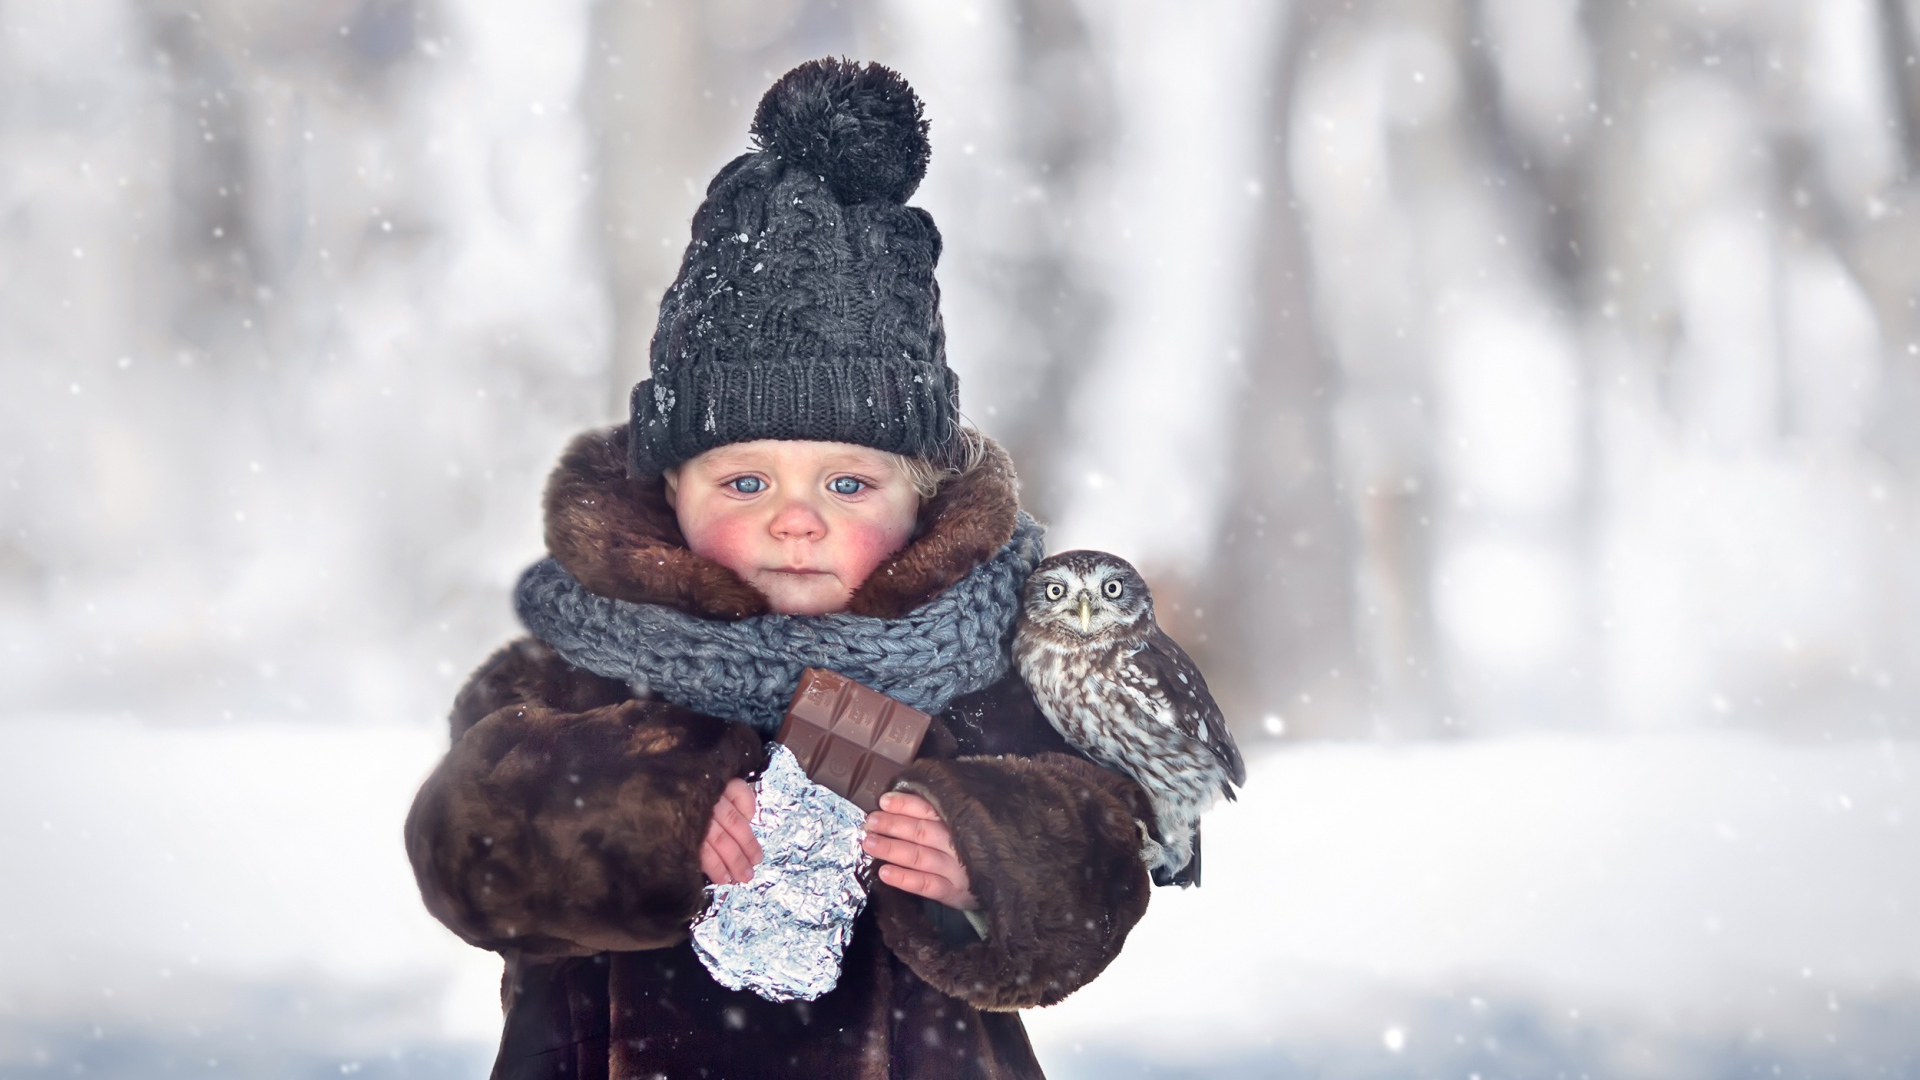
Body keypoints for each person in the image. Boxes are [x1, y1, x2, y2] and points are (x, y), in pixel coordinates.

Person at [404, 58, 1154, 1080]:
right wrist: (638, 807)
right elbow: (467, 848)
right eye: (745, 484)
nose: (794, 523)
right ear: (670, 492)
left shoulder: (988, 674)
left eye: (846, 487)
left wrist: (986, 853)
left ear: (920, 499)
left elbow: (1103, 851)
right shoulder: (576, 668)